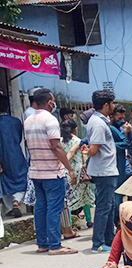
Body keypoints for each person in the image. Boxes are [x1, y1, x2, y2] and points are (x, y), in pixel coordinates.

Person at [24, 89, 78, 255]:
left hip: (36, 171)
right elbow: (56, 146)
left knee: (41, 207)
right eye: (53, 100)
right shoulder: (50, 119)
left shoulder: (28, 120)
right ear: (49, 102)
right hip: (52, 172)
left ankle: (43, 243)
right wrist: (70, 169)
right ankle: (55, 245)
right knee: (54, 208)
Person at [83, 90, 118, 253]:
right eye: (112, 103)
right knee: (104, 207)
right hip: (104, 170)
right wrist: (87, 151)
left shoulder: (100, 121)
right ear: (106, 105)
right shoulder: (98, 123)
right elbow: (94, 149)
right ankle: (98, 242)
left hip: (107, 169)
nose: (114, 106)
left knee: (109, 206)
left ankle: (109, 240)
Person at [60, 119, 95, 227]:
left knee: (68, 198)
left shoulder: (59, 141)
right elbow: (84, 155)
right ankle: (89, 220)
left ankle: (69, 224)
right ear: (75, 129)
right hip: (78, 172)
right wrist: (86, 166)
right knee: (85, 196)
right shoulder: (78, 141)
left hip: (64, 171)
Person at [0, 94, 27, 218]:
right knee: (22, 177)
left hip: (2, 155)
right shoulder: (16, 121)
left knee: (4, 180)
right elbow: (19, 138)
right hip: (16, 153)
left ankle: (9, 207)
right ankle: (16, 201)